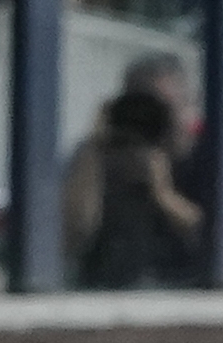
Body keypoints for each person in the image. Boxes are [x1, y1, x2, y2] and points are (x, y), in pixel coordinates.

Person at [65, 56, 204, 289]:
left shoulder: (209, 157)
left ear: (189, 107)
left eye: (167, 107)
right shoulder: (100, 153)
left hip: (185, 290)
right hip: (106, 289)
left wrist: (163, 194)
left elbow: (219, 241)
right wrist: (96, 151)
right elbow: (72, 235)